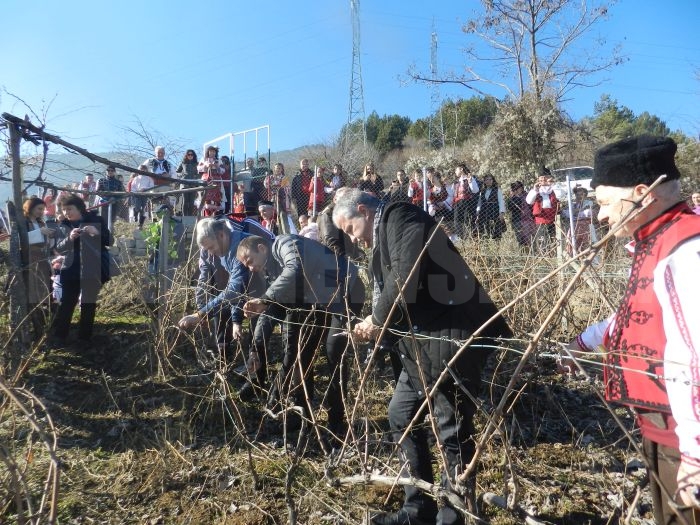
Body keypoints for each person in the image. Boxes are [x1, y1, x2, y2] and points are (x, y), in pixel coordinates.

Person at [332, 189, 512, 525]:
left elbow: (405, 278)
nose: (352, 239)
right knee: (401, 414)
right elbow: (396, 297)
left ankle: (454, 513)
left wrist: (376, 320)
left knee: (451, 428)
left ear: (363, 210)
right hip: (423, 344)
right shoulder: (384, 232)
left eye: (350, 229)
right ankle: (418, 508)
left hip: (454, 335)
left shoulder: (401, 215)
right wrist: (375, 328)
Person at [558, 135, 700, 524]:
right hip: (661, 423)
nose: (600, 215)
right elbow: (644, 315)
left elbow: (694, 351)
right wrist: (585, 341)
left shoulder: (686, 250)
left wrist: (695, 451)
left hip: (682, 431)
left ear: (642, 193)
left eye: (604, 202)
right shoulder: (657, 240)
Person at [237, 233, 365, 440]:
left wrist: (265, 299)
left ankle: (336, 422)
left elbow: (295, 269)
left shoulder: (285, 243)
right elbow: (271, 309)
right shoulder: (271, 269)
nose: (250, 268)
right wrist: (255, 348)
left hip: (346, 293)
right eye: (246, 265)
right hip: (320, 301)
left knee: (333, 352)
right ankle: (301, 415)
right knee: (301, 354)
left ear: (262, 248)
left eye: (249, 260)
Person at [51, 194, 112, 344]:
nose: (66, 212)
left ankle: (84, 337)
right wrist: (70, 238)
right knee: (67, 302)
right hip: (70, 269)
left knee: (88, 302)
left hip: (92, 267)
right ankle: (60, 335)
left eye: (69, 209)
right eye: (64, 210)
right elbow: (58, 247)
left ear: (79, 208)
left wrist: (96, 232)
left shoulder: (96, 220)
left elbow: (109, 241)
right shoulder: (63, 225)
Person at [23, 197, 54, 336]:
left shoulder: (41, 221)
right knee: (32, 292)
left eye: (43, 209)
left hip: (42, 258)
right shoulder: (23, 221)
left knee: (45, 289)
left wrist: (49, 236)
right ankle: (34, 324)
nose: (42, 212)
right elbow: (21, 239)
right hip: (29, 259)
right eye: (39, 209)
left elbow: (45, 242)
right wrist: (39, 233)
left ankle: (45, 320)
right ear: (31, 208)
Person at [525, 170, 559, 254]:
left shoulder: (554, 188)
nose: (543, 180)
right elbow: (529, 201)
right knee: (542, 238)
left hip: (553, 218)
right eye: (541, 179)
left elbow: (561, 195)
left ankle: (554, 253)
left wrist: (553, 184)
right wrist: (535, 189)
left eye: (545, 178)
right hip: (541, 218)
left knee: (554, 237)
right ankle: (544, 254)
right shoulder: (537, 190)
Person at [561, 185, 598, 255]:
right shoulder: (572, 204)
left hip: (587, 226)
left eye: (582, 195)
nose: (579, 196)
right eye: (577, 195)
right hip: (574, 226)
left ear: (586, 195)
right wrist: (578, 212)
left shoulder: (589, 203)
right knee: (573, 243)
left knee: (589, 243)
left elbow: (588, 213)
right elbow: (565, 213)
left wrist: (574, 212)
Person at [451, 163, 480, 239]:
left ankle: (469, 238)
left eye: (456, 169)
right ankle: (461, 238)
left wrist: (470, 181)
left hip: (467, 203)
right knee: (457, 221)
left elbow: (475, 190)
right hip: (458, 203)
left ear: (461, 169)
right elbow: (452, 193)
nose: (455, 172)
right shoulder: (456, 181)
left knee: (467, 221)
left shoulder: (469, 178)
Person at [476, 174, 506, 240]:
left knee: (495, 231)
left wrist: (501, 213)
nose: (488, 181)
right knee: (484, 231)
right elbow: (479, 203)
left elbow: (501, 201)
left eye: (490, 179)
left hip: (494, 211)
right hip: (483, 213)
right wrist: (478, 212)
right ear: (484, 181)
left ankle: (496, 246)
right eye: (486, 180)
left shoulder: (497, 190)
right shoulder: (482, 191)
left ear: (493, 181)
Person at [507, 181, 536, 248]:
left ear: (522, 188)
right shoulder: (513, 198)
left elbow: (531, 206)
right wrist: (513, 197)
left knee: (530, 238)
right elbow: (510, 208)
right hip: (517, 220)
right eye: (514, 189)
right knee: (520, 238)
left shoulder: (527, 196)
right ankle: (523, 253)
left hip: (528, 220)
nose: (516, 190)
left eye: (518, 188)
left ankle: (531, 252)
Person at [198, 146, 225, 217]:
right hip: (206, 179)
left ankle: (215, 215)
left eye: (214, 151)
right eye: (211, 151)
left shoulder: (218, 160)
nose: (212, 153)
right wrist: (205, 165)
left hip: (217, 181)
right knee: (206, 198)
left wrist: (217, 167)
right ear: (208, 152)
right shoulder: (203, 159)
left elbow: (223, 171)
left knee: (217, 199)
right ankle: (207, 215)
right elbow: (198, 168)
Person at [131, 163, 154, 229]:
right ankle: (135, 212)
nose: (142, 171)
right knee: (138, 207)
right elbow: (133, 187)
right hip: (137, 195)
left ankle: (141, 224)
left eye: (144, 169)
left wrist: (145, 189)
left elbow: (151, 186)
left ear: (146, 170)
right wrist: (137, 191)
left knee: (143, 209)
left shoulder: (149, 178)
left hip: (145, 195)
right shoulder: (136, 178)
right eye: (141, 169)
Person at [176, 149, 199, 216]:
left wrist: (196, 177)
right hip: (184, 185)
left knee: (191, 202)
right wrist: (183, 175)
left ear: (193, 156)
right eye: (189, 154)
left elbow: (199, 173)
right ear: (186, 155)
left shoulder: (196, 164)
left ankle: (190, 217)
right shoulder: (183, 163)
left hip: (193, 185)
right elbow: (177, 172)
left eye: (191, 154)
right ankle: (184, 217)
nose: (190, 156)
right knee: (185, 201)